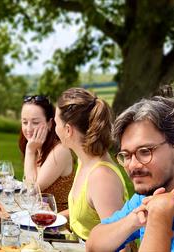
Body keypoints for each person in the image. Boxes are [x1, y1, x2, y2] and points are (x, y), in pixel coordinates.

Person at [86, 94, 174, 251]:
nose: (133, 165)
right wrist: (133, 220)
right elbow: (94, 244)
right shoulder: (146, 195)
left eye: (144, 152)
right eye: (126, 155)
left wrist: (160, 213)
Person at [55, 88, 128, 241]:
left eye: (56, 123)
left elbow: (121, 245)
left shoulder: (102, 178)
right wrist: (52, 217)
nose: (55, 129)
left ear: (68, 130)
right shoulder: (84, 161)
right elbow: (87, 212)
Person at [19, 95, 74, 212]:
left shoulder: (60, 150)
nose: (28, 128)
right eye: (24, 122)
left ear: (50, 123)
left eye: (35, 122)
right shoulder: (37, 147)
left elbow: (32, 190)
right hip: (36, 214)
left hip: (56, 222)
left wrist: (29, 151)